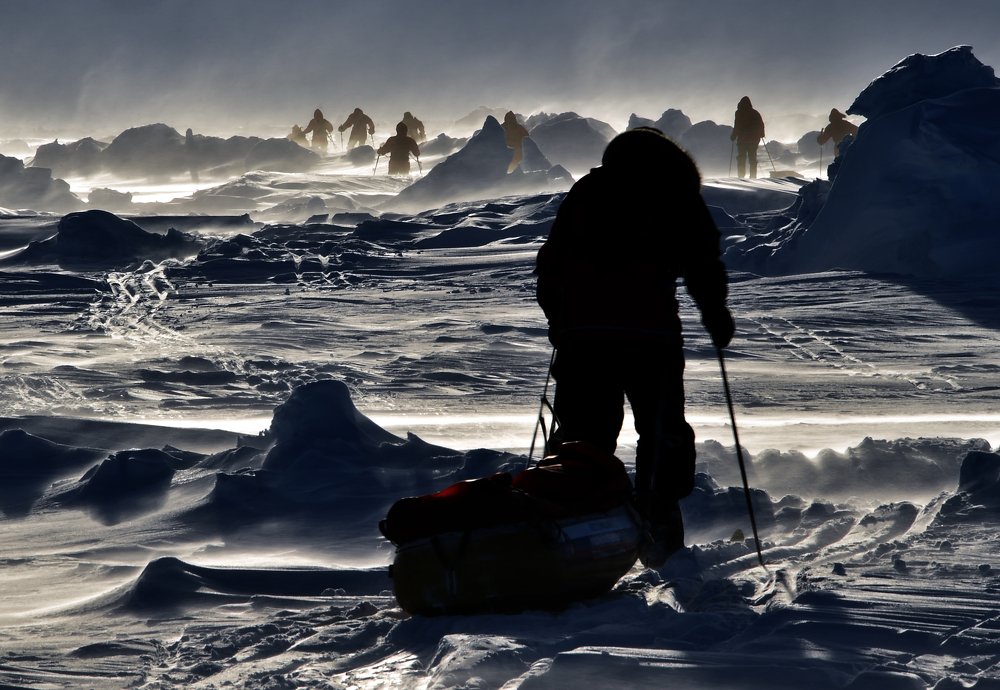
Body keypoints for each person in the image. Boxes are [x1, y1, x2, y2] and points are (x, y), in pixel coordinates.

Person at [535, 127, 734, 568]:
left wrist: (560, 322)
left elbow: (552, 263)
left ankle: (576, 534)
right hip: (651, 337)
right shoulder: (675, 193)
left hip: (585, 339)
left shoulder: (588, 192)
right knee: (663, 433)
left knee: (583, 438)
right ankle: (659, 531)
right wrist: (715, 313)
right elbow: (702, 260)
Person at [730, 96, 765, 179]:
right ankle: (753, 177)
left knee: (741, 158)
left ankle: (741, 176)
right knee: (752, 159)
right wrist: (761, 134)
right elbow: (761, 125)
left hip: (742, 140)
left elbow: (737, 126)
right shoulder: (755, 113)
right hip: (754, 140)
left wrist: (733, 136)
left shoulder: (739, 113)